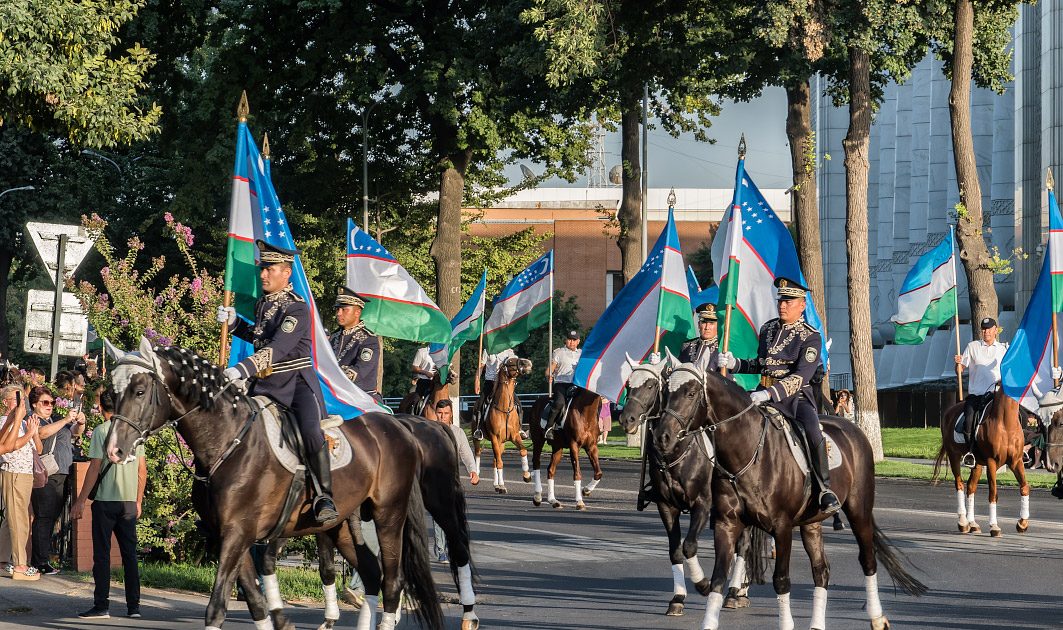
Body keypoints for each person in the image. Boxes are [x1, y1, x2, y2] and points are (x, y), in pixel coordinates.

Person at [216, 239, 338, 523]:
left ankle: (324, 495)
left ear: (286, 272)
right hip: (265, 385)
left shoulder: (296, 308)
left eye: (270, 269)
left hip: (296, 384)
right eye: (263, 269)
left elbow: (277, 349)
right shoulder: (264, 304)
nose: (263, 274)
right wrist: (235, 324)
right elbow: (260, 338)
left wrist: (241, 369)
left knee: (310, 431)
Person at [719, 277, 840, 515]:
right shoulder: (768, 329)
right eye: (781, 300)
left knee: (814, 432)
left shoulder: (810, 336)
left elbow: (800, 377)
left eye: (789, 300)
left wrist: (769, 394)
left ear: (802, 305)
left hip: (795, 399)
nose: (782, 304)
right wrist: (735, 364)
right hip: (761, 394)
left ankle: (824, 488)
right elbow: (761, 364)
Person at [72, 388, 145, 619]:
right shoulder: (135, 433)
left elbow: (94, 468)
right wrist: (138, 500)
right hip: (128, 503)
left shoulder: (101, 431)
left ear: (101, 407)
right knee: (130, 556)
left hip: (105, 501)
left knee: (102, 556)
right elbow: (142, 471)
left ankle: (102, 605)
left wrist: (80, 501)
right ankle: (134, 607)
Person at [31, 384, 85, 575]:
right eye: (45, 402)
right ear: (34, 404)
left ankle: (42, 559)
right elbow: (41, 434)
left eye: (52, 402)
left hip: (61, 473)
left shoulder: (54, 420)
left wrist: (80, 422)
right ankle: (39, 562)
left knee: (51, 518)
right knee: (44, 517)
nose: (50, 405)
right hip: (46, 475)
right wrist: (65, 419)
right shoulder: (34, 420)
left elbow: (75, 432)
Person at [954, 317, 1011, 466]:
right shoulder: (972, 346)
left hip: (997, 395)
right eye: (984, 329)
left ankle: (1018, 449)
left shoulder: (1003, 348)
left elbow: (1009, 370)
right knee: (969, 420)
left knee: (1021, 416)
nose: (986, 332)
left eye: (989, 328)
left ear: (995, 330)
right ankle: (970, 452)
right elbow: (960, 370)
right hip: (977, 395)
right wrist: (958, 363)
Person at [0, 385, 42, 580]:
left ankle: (2, 558)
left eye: (22, 401)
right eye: (16, 400)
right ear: (5, 402)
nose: (21, 405)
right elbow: (10, 446)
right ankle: (20, 565)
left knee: (13, 518)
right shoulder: (5, 421)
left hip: (25, 474)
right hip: (14, 473)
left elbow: (38, 448)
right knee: (19, 521)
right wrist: (20, 424)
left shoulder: (23, 422)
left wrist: (33, 431)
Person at [430, 399, 478, 562]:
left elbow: (466, 453)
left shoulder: (458, 433)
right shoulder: (429, 431)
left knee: (456, 514)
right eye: (440, 413)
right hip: (434, 480)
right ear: (435, 413)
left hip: (453, 480)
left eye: (446, 414)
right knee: (439, 515)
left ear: (451, 414)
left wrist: (473, 470)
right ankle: (441, 549)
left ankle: (452, 545)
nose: (442, 417)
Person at [329, 286, 382, 403]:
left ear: (357, 312)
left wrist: (330, 379)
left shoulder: (368, 339)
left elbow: (359, 371)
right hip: (334, 393)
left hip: (362, 397)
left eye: (344, 309)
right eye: (337, 309)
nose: (338, 313)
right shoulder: (333, 337)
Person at [543, 330, 583, 440]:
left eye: (574, 340)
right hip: (561, 383)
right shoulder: (559, 352)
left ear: (578, 341)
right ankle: (549, 427)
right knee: (559, 402)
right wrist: (549, 375)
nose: (571, 342)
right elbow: (549, 369)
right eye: (569, 339)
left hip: (576, 384)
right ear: (566, 340)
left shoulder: (581, 353)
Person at [471, 348, 517, 440]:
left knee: (517, 403)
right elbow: (481, 366)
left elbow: (514, 364)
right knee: (480, 404)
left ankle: (518, 429)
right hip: (490, 382)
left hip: (504, 384)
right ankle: (479, 429)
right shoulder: (487, 350)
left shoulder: (509, 351)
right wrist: (477, 380)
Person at [678, 304, 721, 372]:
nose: (707, 327)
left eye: (711, 323)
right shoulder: (686, 346)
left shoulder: (722, 348)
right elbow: (677, 372)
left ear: (718, 326)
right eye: (704, 323)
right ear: (698, 325)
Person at [410, 345, 437, 410]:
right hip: (424, 381)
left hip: (437, 382)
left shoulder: (443, 352)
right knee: (416, 400)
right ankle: (413, 415)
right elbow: (414, 367)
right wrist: (426, 373)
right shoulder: (422, 351)